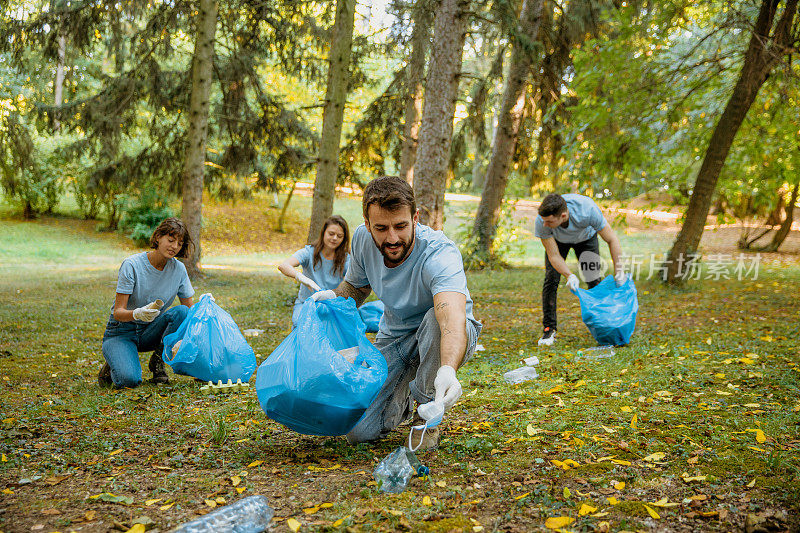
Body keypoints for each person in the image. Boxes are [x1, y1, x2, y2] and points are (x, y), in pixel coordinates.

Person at [311, 176, 481, 451]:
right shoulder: (363, 241)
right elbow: (356, 285)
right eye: (381, 228)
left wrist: (448, 369)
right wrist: (334, 298)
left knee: (435, 319)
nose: (392, 238)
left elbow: (451, 318)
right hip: (395, 336)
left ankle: (426, 414)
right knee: (359, 431)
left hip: (444, 333)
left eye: (401, 226)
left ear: (415, 218)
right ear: (367, 225)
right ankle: (399, 397)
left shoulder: (439, 253)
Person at [98, 218, 195, 388]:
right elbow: (118, 312)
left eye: (179, 244)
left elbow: (190, 310)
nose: (174, 247)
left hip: (150, 331)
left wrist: (204, 314)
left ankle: (157, 362)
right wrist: (137, 313)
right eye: (170, 240)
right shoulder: (132, 265)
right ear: (158, 237)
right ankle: (114, 362)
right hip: (121, 331)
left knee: (182, 313)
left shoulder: (178, 269)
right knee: (129, 380)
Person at [534, 193, 626, 346]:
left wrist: (619, 271)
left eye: (549, 221)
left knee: (594, 280)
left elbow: (611, 239)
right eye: (544, 221)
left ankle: (603, 327)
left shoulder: (587, 210)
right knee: (551, 280)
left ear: (563, 215)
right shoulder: (542, 221)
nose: (544, 224)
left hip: (586, 239)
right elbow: (554, 255)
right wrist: (569, 275)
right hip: (558, 241)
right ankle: (549, 329)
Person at [278, 215, 351, 326]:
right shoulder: (309, 252)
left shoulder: (346, 259)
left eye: (339, 236)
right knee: (302, 324)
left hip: (332, 307)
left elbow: (351, 282)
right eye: (331, 234)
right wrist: (301, 278)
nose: (335, 238)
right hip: (306, 304)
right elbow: (284, 266)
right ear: (323, 233)